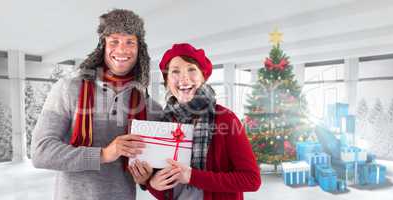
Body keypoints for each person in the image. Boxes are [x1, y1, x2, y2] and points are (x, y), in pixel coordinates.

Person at [31, 9, 162, 200]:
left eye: (130, 42)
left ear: (139, 49)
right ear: (103, 46)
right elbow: (41, 152)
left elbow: (157, 167)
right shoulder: (68, 89)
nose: (122, 50)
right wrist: (104, 154)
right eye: (114, 41)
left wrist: (146, 178)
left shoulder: (152, 108)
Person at [129, 43, 261, 200]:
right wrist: (150, 183)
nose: (184, 78)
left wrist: (192, 176)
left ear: (203, 76)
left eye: (191, 70)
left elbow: (252, 180)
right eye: (175, 72)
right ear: (167, 82)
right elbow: (168, 192)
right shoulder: (164, 122)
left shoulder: (225, 119)